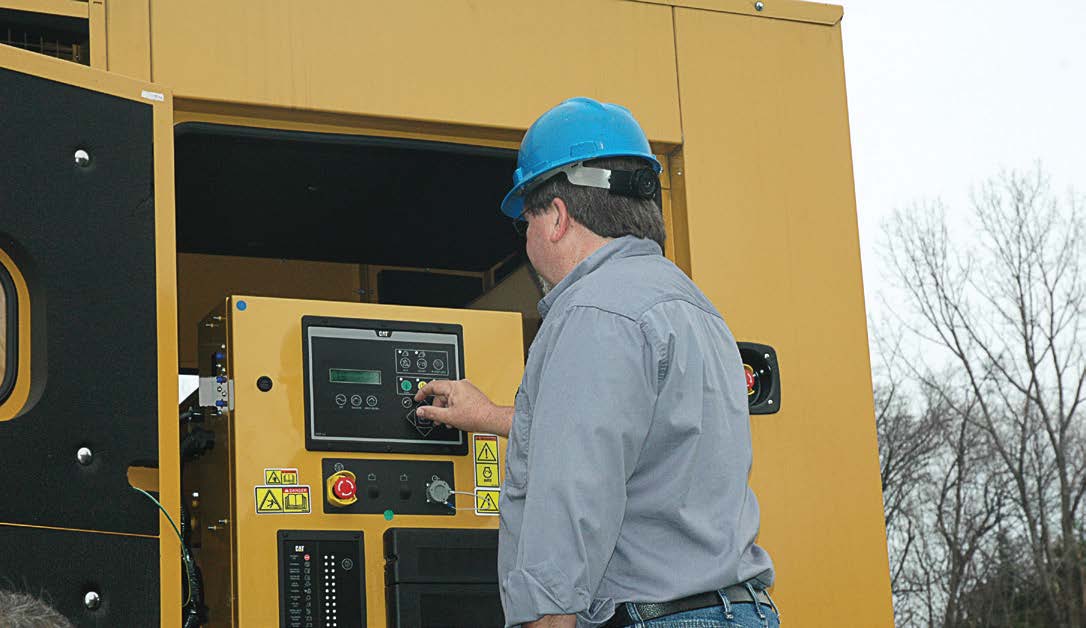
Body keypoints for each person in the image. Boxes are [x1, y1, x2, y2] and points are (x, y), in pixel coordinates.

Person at [415, 97, 777, 628]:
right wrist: (490, 416)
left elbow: (571, 497)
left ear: (557, 218)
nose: (529, 243)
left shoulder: (592, 311)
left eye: (527, 225)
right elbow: (632, 437)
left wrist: (546, 617)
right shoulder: (694, 309)